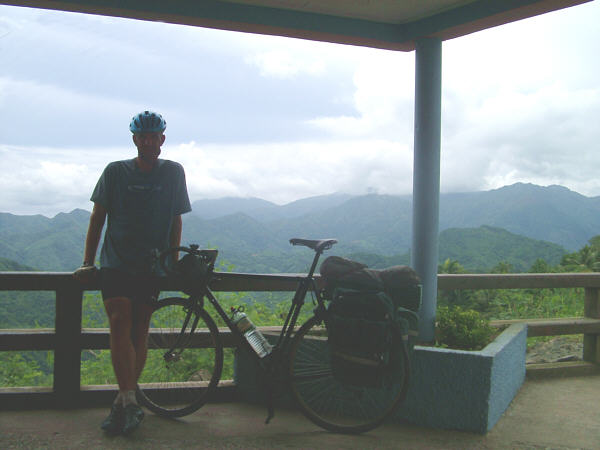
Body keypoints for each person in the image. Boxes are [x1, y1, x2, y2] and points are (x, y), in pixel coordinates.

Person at [73, 111, 192, 434]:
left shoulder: (173, 173)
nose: (149, 141)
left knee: (139, 330)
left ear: (162, 140)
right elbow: (98, 217)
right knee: (118, 320)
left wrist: (171, 259)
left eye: (155, 136)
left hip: (151, 264)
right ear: (135, 140)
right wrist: (88, 261)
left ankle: (124, 402)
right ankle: (129, 399)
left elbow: (176, 219)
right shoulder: (115, 172)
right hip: (115, 261)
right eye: (144, 137)